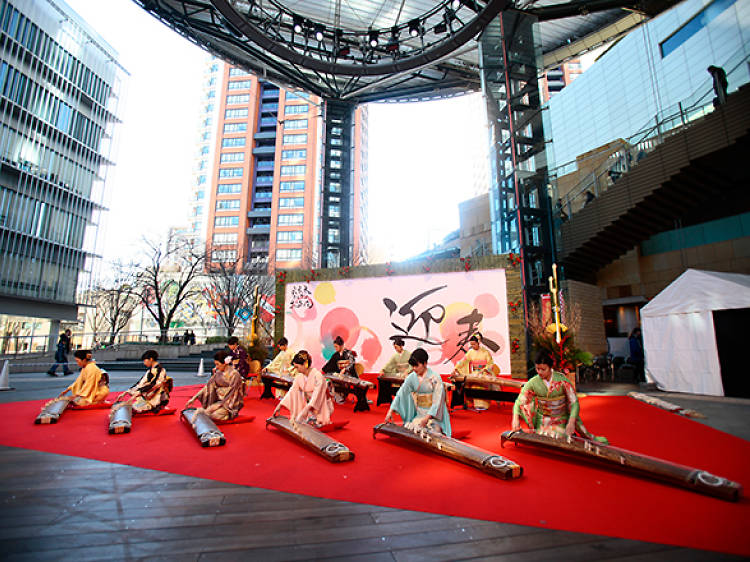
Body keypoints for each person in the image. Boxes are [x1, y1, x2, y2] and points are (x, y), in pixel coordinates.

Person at [512, 350, 607, 443]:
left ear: (550, 368)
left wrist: (571, 422)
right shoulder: (533, 382)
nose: (540, 372)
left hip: (560, 418)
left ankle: (568, 431)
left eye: (543, 369)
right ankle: (539, 430)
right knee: (543, 435)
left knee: (557, 437)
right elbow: (520, 401)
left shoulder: (562, 381)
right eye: (537, 369)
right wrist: (515, 418)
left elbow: (574, 403)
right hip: (543, 419)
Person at [384, 348, 451, 437]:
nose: (414, 369)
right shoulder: (412, 377)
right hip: (420, 413)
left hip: (434, 416)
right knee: (412, 428)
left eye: (417, 366)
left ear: (425, 363)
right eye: (413, 366)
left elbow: (437, 401)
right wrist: (390, 411)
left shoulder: (434, 377)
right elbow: (401, 393)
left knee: (434, 432)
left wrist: (427, 418)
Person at [273, 350, 334, 427]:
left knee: (310, 420)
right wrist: (279, 406)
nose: (296, 369)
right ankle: (308, 417)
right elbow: (292, 391)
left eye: (297, 367)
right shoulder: (299, 377)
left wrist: (303, 413)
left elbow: (316, 397)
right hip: (308, 407)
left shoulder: (318, 376)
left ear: (305, 364)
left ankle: (317, 419)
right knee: (296, 393)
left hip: (321, 407)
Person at [185, 350, 245, 421]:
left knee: (214, 415)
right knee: (208, 413)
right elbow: (208, 387)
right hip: (218, 401)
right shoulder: (218, 373)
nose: (216, 367)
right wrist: (194, 398)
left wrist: (219, 405)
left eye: (217, 364)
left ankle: (229, 414)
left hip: (229, 403)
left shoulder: (234, 374)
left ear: (225, 363)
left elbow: (233, 394)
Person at [452, 334, 495, 409]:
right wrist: (455, 368)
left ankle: (482, 404)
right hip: (475, 373)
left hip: (484, 372)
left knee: (479, 385)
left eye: (474, 344)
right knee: (467, 383)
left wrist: (484, 370)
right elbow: (463, 361)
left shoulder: (485, 352)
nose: (472, 346)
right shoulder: (470, 352)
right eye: (471, 344)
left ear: (478, 343)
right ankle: (470, 402)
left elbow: (490, 363)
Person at [322, 335, 358, 403]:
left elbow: (351, 363)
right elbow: (330, 364)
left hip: (349, 374)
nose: (335, 348)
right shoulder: (336, 355)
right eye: (334, 346)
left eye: (336, 346)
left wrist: (345, 369)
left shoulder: (348, 353)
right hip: (340, 375)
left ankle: (344, 395)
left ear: (341, 346)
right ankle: (340, 396)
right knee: (332, 380)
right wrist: (323, 370)